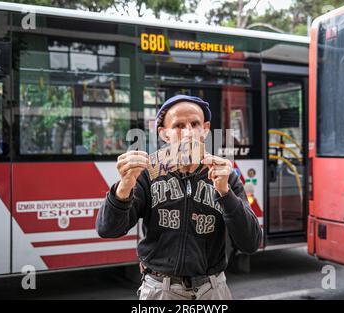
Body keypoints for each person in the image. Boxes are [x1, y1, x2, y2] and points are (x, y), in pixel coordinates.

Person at [96, 94, 262, 300]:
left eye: (195, 124)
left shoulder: (224, 175)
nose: (188, 133)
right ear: (164, 134)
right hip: (159, 290)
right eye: (179, 126)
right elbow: (107, 229)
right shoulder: (147, 175)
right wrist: (124, 187)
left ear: (206, 129)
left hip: (212, 290)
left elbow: (251, 243)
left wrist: (225, 193)